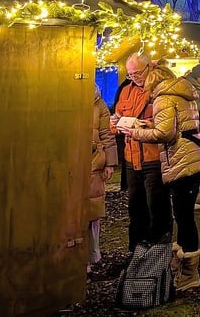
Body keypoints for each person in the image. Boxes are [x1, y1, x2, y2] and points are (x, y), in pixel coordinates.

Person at [122, 64, 200, 292]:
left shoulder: (163, 97)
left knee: (184, 218)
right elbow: (177, 125)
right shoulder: (182, 93)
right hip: (192, 157)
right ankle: (183, 267)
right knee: (184, 215)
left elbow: (166, 133)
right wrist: (149, 124)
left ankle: (190, 273)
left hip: (182, 161)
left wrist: (135, 132)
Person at [110, 52, 172, 252]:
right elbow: (115, 122)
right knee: (135, 208)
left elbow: (168, 123)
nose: (134, 77)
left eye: (137, 73)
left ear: (149, 67)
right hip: (132, 158)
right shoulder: (126, 91)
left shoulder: (160, 89)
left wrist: (143, 125)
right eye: (130, 74)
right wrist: (116, 122)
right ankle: (136, 253)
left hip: (153, 157)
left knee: (157, 207)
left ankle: (158, 255)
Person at [88, 87, 118, 273]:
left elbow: (107, 134)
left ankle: (91, 256)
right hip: (71, 162)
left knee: (93, 208)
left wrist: (110, 163)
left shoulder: (98, 103)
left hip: (94, 161)